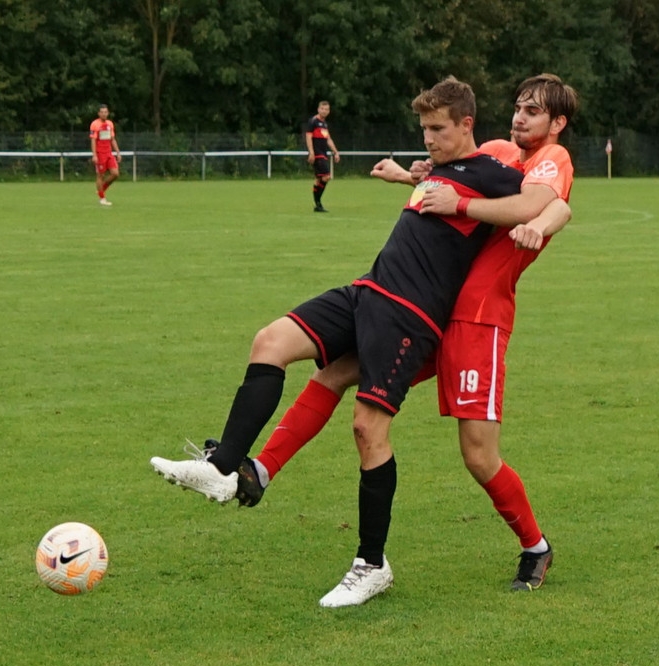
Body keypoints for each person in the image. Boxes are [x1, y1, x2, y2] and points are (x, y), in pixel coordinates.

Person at [151, 77, 560, 607]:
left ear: (466, 125)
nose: (429, 139)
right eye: (423, 130)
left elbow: (545, 205)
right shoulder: (443, 169)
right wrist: (404, 174)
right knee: (270, 340)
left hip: (410, 316)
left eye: (438, 129)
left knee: (368, 429)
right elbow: (435, 179)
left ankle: (371, 565)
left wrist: (531, 215)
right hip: (366, 291)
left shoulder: (494, 171)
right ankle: (223, 467)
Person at [305, 101, 340, 212]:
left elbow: (328, 139)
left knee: (319, 179)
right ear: (318, 109)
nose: (324, 111)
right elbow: (308, 137)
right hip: (317, 154)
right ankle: (318, 203)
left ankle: (318, 204)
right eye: (322, 109)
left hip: (323, 154)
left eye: (327, 109)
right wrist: (311, 152)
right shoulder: (313, 121)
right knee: (326, 177)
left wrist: (335, 152)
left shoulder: (324, 124)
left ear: (329, 111)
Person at [90, 104, 122, 206]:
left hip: (109, 153)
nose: (104, 114)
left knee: (115, 173)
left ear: (108, 113)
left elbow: (112, 139)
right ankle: (102, 198)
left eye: (105, 112)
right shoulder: (95, 124)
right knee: (100, 175)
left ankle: (101, 189)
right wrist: (94, 155)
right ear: (99, 113)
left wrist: (117, 152)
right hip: (100, 154)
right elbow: (93, 140)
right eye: (102, 112)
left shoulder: (110, 124)